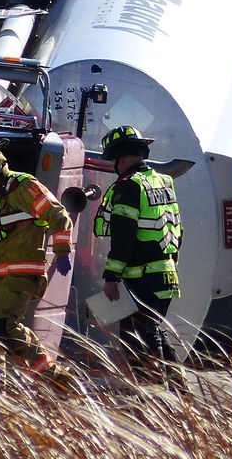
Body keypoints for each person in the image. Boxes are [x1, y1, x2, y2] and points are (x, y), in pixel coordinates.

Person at [0, 134, 73, 377]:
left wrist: (62, 251)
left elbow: (58, 216)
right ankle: (1, 392)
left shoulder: (23, 186)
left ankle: (54, 376)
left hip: (19, 275)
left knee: (4, 327)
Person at [94, 125, 185, 390]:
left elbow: (123, 238)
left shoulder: (129, 187)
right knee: (152, 329)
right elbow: (178, 228)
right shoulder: (163, 181)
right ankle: (179, 388)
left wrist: (111, 277)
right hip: (166, 274)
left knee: (138, 337)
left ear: (120, 158)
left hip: (142, 277)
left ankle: (149, 393)